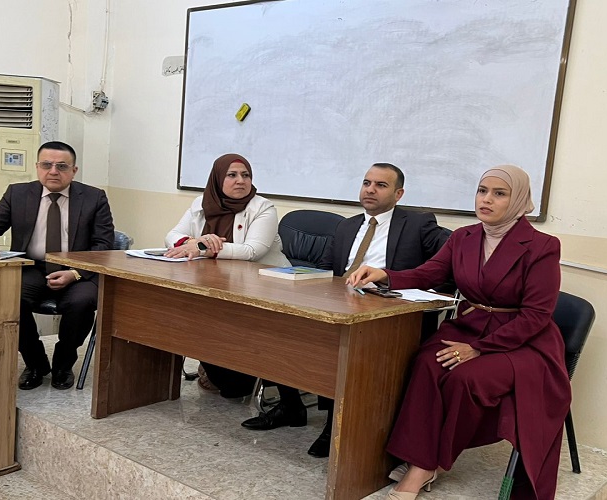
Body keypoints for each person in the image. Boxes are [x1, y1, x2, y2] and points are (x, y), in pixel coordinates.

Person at [347, 165, 570, 500]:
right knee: (426, 362)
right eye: (482, 191)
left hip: (522, 343)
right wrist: (385, 275)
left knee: (464, 379)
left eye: (499, 193)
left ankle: (427, 466)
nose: (486, 199)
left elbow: (536, 316)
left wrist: (479, 348)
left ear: (519, 200)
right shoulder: (464, 236)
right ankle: (420, 458)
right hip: (470, 325)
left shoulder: (542, 246)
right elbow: (429, 273)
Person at [241, 162, 450, 458]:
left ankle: (333, 426)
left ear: (399, 194)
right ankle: (290, 405)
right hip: (342, 301)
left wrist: (404, 286)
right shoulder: (347, 226)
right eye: (366, 183)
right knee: (279, 326)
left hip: (387, 311)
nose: (370, 190)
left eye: (381, 185)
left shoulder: (419, 224)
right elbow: (327, 270)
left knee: (336, 343)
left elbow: (448, 267)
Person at [164, 153, 290, 398]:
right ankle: (212, 364)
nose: (240, 180)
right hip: (213, 283)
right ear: (217, 178)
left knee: (233, 387)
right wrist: (193, 241)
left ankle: (241, 373)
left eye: (246, 175)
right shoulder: (201, 204)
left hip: (262, 287)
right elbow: (172, 235)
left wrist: (205, 248)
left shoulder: (262, 207)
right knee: (187, 314)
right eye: (232, 175)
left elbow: (253, 251)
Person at [0, 141, 114, 391]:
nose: (53, 171)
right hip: (33, 268)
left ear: (74, 170)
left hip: (78, 271)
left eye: (62, 166)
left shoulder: (94, 198)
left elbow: (104, 245)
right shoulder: (17, 194)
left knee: (81, 303)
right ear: (37, 167)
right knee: (8, 297)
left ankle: (63, 365)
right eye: (46, 165)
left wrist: (75, 273)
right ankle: (36, 363)